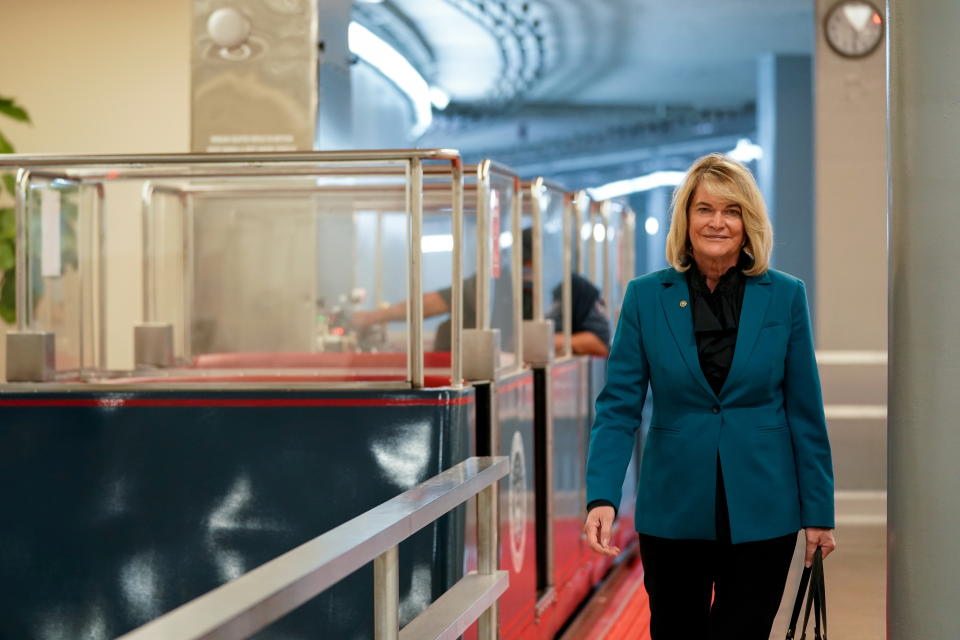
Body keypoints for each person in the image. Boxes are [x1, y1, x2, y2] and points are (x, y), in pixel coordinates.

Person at [582, 153, 836, 640]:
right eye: (705, 209)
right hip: (673, 508)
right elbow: (617, 408)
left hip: (764, 510)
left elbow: (806, 413)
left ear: (748, 223)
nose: (717, 222)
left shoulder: (784, 296)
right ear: (686, 218)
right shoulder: (646, 296)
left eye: (732, 210)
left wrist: (819, 513)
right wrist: (602, 495)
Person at [352, 229, 611, 357]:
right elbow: (434, 302)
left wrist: (541, 342)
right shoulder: (496, 284)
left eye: (535, 264)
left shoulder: (577, 290)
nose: (529, 272)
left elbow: (600, 343)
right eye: (525, 264)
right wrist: (374, 317)